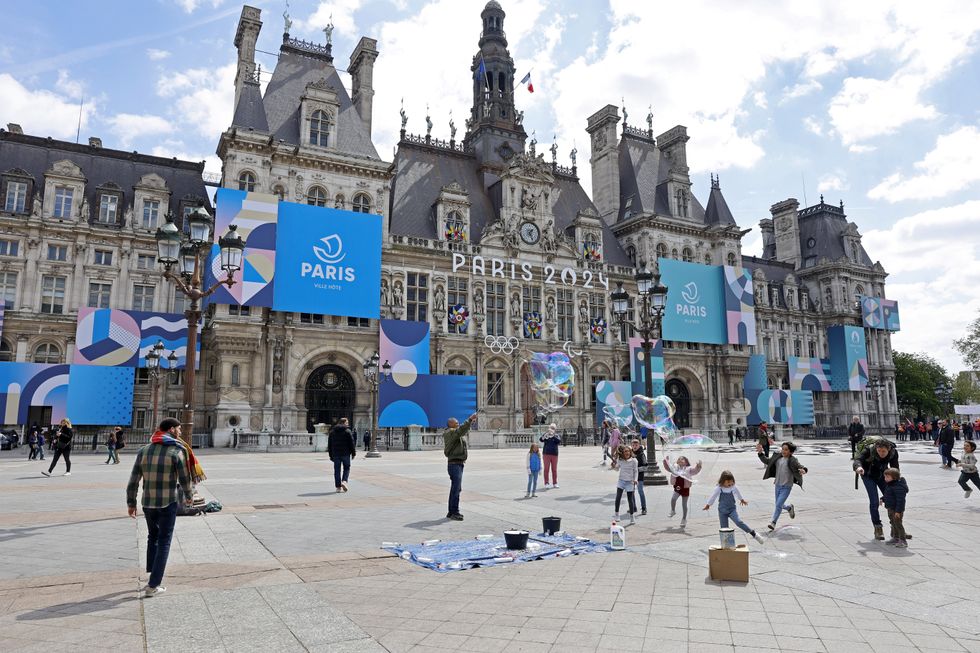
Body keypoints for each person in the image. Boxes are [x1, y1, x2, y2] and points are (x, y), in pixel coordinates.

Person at [126, 418, 194, 597]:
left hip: (148, 502)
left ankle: (152, 572)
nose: (180, 432)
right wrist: (189, 497)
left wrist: (131, 503)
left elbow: (134, 480)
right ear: (171, 430)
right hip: (167, 502)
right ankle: (153, 585)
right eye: (179, 429)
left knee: (152, 536)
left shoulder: (144, 450)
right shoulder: (176, 451)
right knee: (164, 540)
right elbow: (185, 479)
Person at [854, 438, 900, 541]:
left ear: (888, 449)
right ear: (876, 448)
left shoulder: (893, 452)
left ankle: (895, 527)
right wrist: (858, 467)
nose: (881, 453)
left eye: (884, 451)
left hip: (883, 475)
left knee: (892, 499)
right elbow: (858, 460)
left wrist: (896, 483)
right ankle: (878, 528)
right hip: (867, 475)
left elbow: (895, 468)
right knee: (874, 502)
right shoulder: (869, 450)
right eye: (879, 451)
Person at [703, 470, 765, 544]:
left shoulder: (733, 487)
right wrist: (708, 504)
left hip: (732, 510)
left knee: (739, 522)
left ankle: (753, 533)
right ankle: (727, 545)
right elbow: (713, 496)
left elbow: (738, 493)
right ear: (723, 481)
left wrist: (742, 500)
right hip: (722, 511)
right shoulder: (719, 488)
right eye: (728, 482)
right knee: (724, 529)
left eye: (731, 481)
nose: (730, 483)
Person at [763, 441, 808, 530]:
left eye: (786, 450)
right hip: (777, 485)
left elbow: (800, 466)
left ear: (791, 452)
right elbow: (768, 461)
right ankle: (789, 508)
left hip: (787, 486)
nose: (783, 451)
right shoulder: (778, 457)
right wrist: (760, 454)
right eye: (783, 449)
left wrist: (804, 470)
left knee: (778, 504)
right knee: (779, 504)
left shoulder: (792, 460)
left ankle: (773, 522)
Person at [443, 412, 478, 521]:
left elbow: (462, 431)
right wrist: (470, 420)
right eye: (456, 423)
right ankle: (455, 512)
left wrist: (470, 423)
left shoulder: (454, 433)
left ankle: (451, 511)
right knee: (456, 489)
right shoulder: (450, 433)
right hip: (454, 465)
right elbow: (460, 431)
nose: (458, 424)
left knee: (455, 488)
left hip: (457, 464)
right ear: (451, 425)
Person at [663, 455, 701, 528]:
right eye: (679, 459)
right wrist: (666, 461)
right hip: (677, 487)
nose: (680, 460)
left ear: (686, 462)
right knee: (673, 499)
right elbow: (668, 468)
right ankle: (673, 510)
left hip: (685, 488)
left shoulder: (689, 468)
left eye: (682, 459)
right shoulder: (675, 468)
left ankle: (684, 519)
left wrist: (698, 465)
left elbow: (695, 471)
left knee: (684, 504)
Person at [880, 468, 908, 548]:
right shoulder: (890, 485)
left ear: (894, 477)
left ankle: (903, 540)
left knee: (898, 524)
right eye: (885, 477)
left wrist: (898, 511)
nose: (885, 479)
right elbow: (888, 495)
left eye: (887, 477)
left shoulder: (898, 487)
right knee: (893, 523)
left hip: (896, 510)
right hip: (890, 508)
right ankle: (895, 538)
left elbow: (900, 500)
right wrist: (883, 499)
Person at [327, 418, 356, 493]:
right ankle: (344, 481)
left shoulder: (332, 432)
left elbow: (329, 445)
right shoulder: (347, 431)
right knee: (346, 468)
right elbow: (351, 443)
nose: (347, 424)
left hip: (336, 454)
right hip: (346, 454)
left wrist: (331, 455)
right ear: (343, 423)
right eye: (347, 422)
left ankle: (338, 487)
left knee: (337, 470)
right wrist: (353, 453)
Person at [613, 444, 637, 525]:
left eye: (628, 451)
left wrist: (635, 480)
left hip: (630, 482)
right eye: (625, 451)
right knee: (618, 497)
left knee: (630, 499)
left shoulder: (634, 461)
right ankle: (616, 514)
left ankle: (632, 516)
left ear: (630, 452)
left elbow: (636, 471)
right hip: (621, 481)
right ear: (623, 453)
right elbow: (617, 469)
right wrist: (614, 465)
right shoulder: (620, 460)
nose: (627, 453)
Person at [540, 423, 561, 489]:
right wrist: (545, 436)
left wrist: (553, 436)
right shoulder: (546, 435)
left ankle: (555, 483)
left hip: (554, 454)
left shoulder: (556, 435)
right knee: (546, 469)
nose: (552, 430)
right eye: (551, 428)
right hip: (546, 454)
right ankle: (546, 483)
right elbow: (541, 440)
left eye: (553, 428)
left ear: (555, 429)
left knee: (554, 469)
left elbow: (558, 441)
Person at [630, 438, 648, 515]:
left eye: (636, 445)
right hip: (631, 477)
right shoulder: (630, 454)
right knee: (631, 492)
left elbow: (645, 467)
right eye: (633, 445)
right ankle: (633, 507)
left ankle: (644, 508)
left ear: (639, 445)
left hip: (640, 476)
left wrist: (636, 469)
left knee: (640, 491)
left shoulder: (641, 454)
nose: (634, 446)